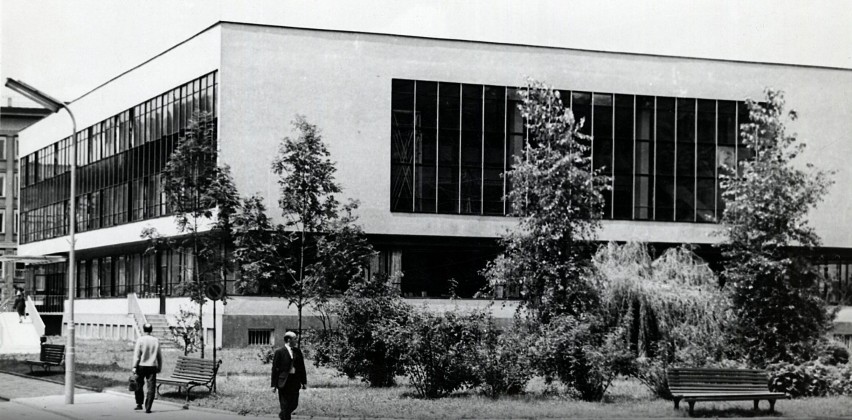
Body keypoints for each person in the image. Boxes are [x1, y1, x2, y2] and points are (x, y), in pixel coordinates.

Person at [271, 331, 307, 420]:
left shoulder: (297, 351)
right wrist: (273, 385)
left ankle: (282, 415)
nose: (296, 341)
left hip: (295, 381)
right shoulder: (279, 352)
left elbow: (302, 368)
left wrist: (304, 382)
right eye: (295, 339)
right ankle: (285, 416)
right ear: (288, 340)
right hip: (283, 382)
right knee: (285, 405)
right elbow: (275, 369)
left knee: (294, 404)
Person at [132, 323, 162, 414]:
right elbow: (159, 355)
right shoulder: (155, 340)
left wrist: (134, 366)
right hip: (152, 366)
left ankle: (139, 404)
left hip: (141, 365)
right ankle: (148, 407)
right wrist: (159, 366)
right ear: (151, 330)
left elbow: (137, 355)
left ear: (144, 329)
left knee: (139, 385)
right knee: (151, 387)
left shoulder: (140, 340)